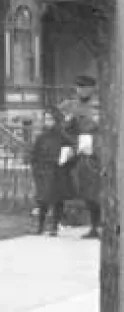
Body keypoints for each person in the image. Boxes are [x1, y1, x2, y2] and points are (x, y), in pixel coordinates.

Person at [57, 74, 102, 239]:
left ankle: (102, 224)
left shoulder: (100, 105)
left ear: (92, 89)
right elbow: (65, 128)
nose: (80, 91)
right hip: (82, 152)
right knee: (86, 190)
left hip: (100, 150)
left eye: (84, 88)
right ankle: (93, 225)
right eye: (78, 88)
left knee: (100, 189)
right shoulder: (72, 106)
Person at [28, 108, 70, 236]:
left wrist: (65, 159)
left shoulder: (62, 136)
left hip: (57, 171)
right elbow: (34, 154)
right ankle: (40, 226)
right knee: (42, 199)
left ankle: (54, 226)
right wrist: (35, 167)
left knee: (56, 199)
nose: (48, 122)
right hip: (42, 171)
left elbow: (71, 149)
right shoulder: (41, 137)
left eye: (50, 119)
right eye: (46, 119)